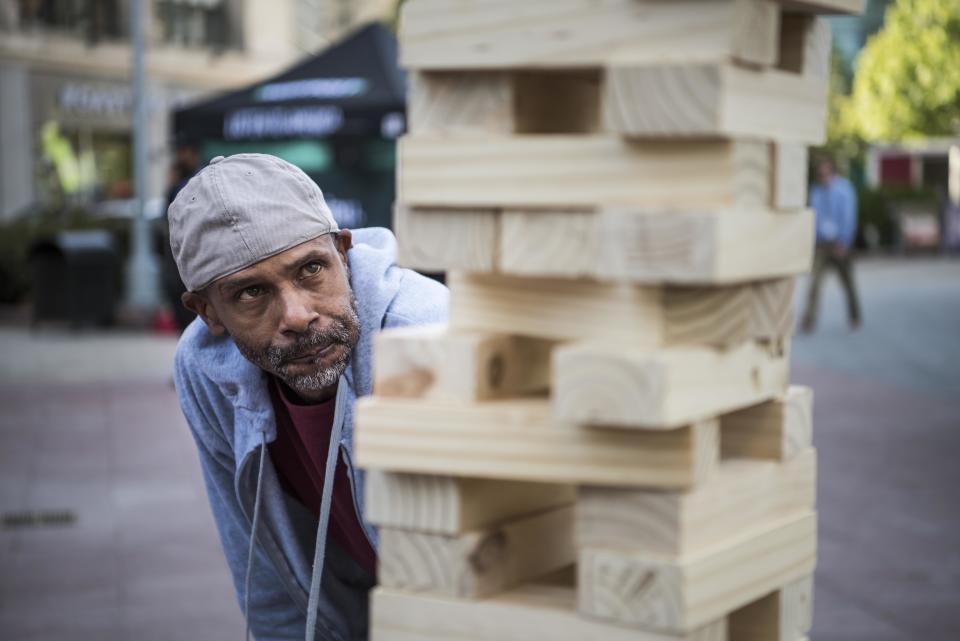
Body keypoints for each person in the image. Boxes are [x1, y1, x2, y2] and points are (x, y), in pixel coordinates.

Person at [167, 153, 448, 641]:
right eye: (251, 293)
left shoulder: (429, 338)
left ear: (343, 251)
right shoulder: (204, 369)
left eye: (311, 269)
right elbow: (266, 573)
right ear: (208, 313)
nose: (297, 315)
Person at [801, 157, 862, 332]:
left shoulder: (844, 190)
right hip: (821, 244)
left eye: (826, 173)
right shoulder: (816, 191)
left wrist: (844, 241)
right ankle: (809, 321)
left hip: (839, 243)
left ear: (833, 172)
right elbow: (813, 217)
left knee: (848, 283)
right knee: (814, 284)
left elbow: (849, 217)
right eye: (820, 174)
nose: (823, 177)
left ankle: (855, 317)